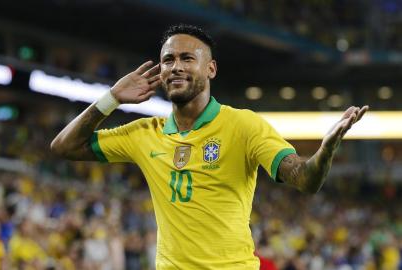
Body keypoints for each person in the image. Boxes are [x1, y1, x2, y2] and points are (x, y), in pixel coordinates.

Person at [51, 24, 369, 269]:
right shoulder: (145, 132)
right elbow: (64, 147)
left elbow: (305, 178)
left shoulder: (243, 125)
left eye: (187, 58)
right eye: (168, 60)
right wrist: (111, 99)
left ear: (210, 69)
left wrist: (325, 150)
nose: (175, 66)